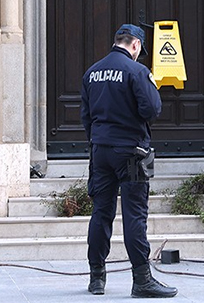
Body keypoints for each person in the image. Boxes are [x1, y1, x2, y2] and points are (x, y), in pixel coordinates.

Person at [80, 24, 177, 298]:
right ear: (135, 45)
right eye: (140, 50)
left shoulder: (92, 72)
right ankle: (142, 280)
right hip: (132, 152)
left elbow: (85, 117)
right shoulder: (137, 71)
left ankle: (96, 278)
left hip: (100, 151)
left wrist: (100, 137)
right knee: (135, 214)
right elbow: (152, 108)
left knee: (101, 212)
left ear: (117, 42)